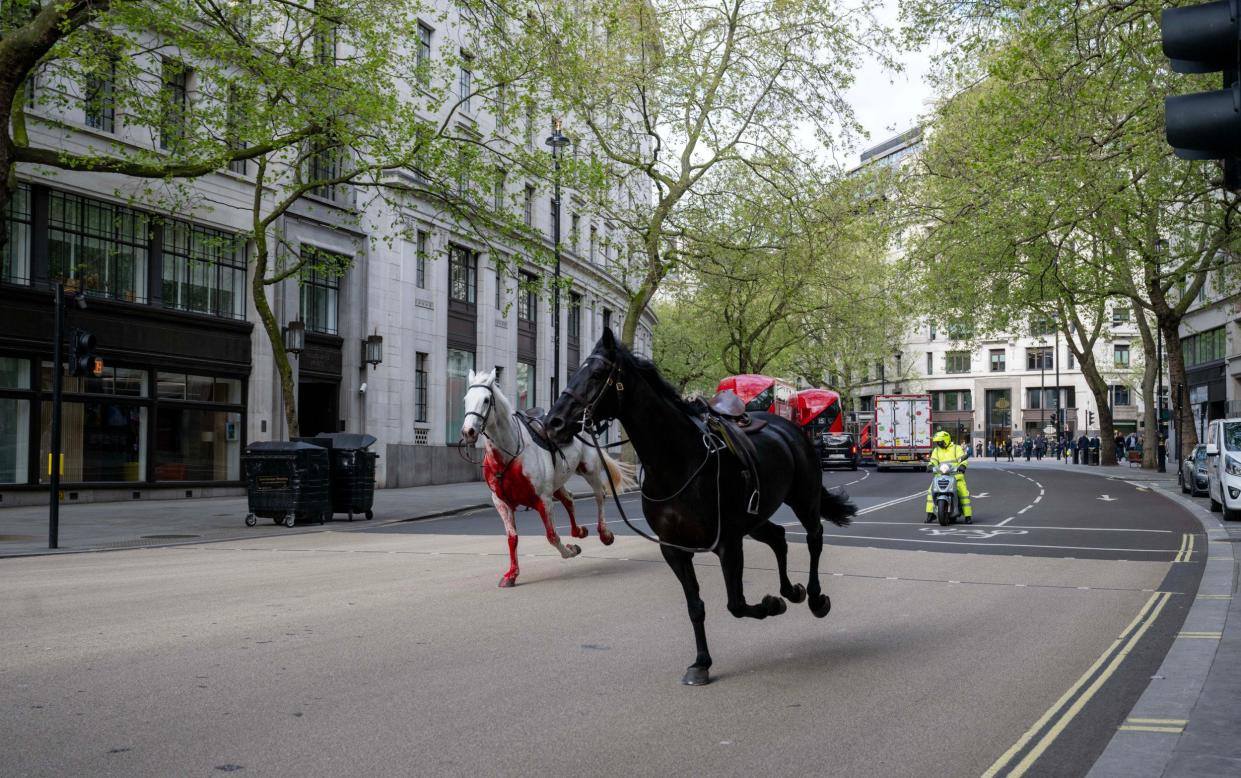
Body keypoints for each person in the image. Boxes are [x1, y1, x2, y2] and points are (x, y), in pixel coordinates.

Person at [925, 430, 972, 523]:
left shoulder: (956, 448)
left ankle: (968, 516)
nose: (939, 443)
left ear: (946, 440)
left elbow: (962, 459)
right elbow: (933, 460)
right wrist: (930, 466)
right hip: (940, 476)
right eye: (937, 442)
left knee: (963, 494)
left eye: (940, 441)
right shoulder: (936, 450)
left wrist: (962, 466)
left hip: (956, 476)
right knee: (931, 492)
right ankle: (930, 514)